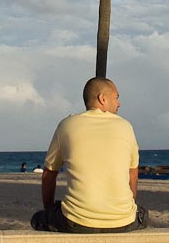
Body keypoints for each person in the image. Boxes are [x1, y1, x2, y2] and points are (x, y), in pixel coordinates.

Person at [31, 77, 148, 233]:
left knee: (37, 219)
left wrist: (49, 210)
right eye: (116, 97)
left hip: (76, 221)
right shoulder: (125, 126)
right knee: (144, 215)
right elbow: (133, 176)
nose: (119, 103)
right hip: (123, 222)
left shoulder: (66, 125)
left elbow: (48, 175)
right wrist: (124, 211)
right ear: (102, 98)